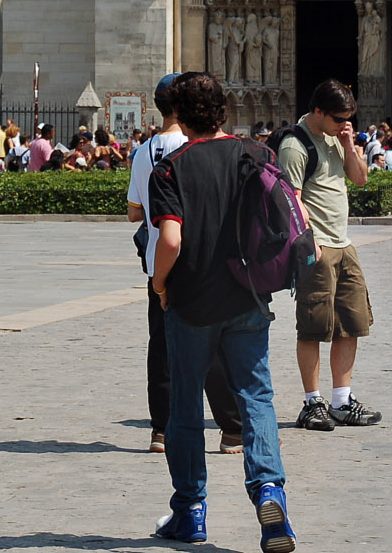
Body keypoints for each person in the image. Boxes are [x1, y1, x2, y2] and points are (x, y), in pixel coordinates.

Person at [143, 70, 294, 553]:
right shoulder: (259, 155)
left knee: (186, 405)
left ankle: (190, 511)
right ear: (225, 110)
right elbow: (296, 217)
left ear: (180, 116)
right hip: (248, 296)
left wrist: (159, 282)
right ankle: (270, 494)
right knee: (256, 396)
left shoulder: (171, 167)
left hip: (191, 303)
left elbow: (170, 239)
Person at [131, 78, 248, 459]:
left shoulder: (144, 152)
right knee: (212, 351)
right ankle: (231, 429)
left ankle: (160, 431)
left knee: (160, 351)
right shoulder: (196, 146)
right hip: (202, 263)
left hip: (157, 268)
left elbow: (135, 210)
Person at [276, 80, 380, 434]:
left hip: (343, 243)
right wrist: (309, 243)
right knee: (313, 327)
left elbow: (361, 179)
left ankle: (341, 400)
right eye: (338, 118)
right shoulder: (295, 145)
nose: (343, 124)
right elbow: (290, 200)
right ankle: (312, 402)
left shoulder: (338, 138)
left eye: (349, 119)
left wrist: (349, 144)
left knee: (351, 322)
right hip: (316, 246)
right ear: (318, 111)